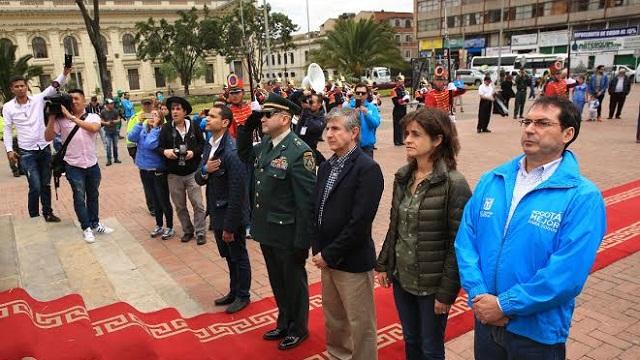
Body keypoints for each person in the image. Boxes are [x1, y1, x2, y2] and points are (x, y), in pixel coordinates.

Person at [455, 96, 606, 360]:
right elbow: (466, 241)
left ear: (568, 133)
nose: (529, 129)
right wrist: (479, 295)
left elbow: (567, 274)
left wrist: (505, 304)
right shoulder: (493, 180)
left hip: (536, 333)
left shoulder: (582, 197)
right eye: (527, 121)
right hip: (487, 319)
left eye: (542, 123)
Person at [376, 107, 471, 360]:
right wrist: (384, 264)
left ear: (438, 139)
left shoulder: (454, 183)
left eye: (416, 134)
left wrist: (447, 292)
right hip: (402, 277)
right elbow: (395, 224)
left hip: (431, 285)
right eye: (406, 133)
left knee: (430, 347)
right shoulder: (404, 177)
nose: (407, 139)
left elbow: (459, 244)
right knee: (410, 339)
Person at [237, 93, 316, 351]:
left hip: (289, 233)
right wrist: (247, 127)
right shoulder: (267, 146)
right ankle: (284, 321)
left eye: (268, 115)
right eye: (263, 114)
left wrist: (303, 241)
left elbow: (306, 202)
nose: (264, 118)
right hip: (268, 229)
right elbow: (245, 154)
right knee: (277, 280)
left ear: (284, 118)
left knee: (294, 281)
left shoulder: (298, 151)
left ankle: (298, 328)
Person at [311, 107, 384, 360]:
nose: (328, 134)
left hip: (351, 260)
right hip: (327, 259)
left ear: (354, 132)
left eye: (335, 129)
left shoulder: (367, 169)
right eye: (327, 128)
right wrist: (318, 249)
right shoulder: (328, 166)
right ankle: (338, 354)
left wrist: (329, 254)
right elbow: (318, 210)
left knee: (360, 322)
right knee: (334, 318)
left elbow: (360, 223)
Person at [195, 104, 252, 314]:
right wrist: (205, 170)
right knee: (228, 256)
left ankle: (243, 295)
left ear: (225, 122)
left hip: (230, 214)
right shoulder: (210, 145)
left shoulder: (232, 151)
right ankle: (233, 290)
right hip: (217, 210)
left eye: (212, 116)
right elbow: (199, 179)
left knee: (238, 255)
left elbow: (238, 192)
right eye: (207, 115)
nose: (207, 119)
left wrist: (230, 226)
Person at [44, 89, 114, 243]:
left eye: (77, 98)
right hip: (73, 165)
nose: (74, 101)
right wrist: (52, 118)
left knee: (93, 195)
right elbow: (48, 137)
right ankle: (86, 227)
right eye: (71, 99)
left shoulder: (93, 116)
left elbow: (94, 128)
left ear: (84, 101)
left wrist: (71, 118)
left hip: (92, 164)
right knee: (79, 196)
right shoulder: (61, 120)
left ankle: (95, 223)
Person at [2, 67, 71, 222]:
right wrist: (9, 150)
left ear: (27, 86)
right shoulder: (8, 107)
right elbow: (6, 129)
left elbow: (53, 87)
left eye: (22, 85)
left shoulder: (38, 99)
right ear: (12, 89)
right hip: (26, 153)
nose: (20, 88)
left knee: (46, 184)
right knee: (35, 185)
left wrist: (65, 73)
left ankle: (48, 212)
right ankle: (33, 215)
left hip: (44, 147)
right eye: (16, 86)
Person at [158, 96, 207, 245]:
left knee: (198, 204)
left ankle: (200, 232)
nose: (174, 112)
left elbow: (202, 144)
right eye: (172, 109)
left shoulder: (193, 126)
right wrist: (165, 152)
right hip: (174, 175)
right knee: (180, 206)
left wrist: (194, 152)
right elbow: (159, 148)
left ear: (185, 112)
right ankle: (188, 230)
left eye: (178, 109)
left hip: (192, 173)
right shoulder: (166, 128)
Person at [128, 109, 174, 240]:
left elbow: (150, 144)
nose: (152, 117)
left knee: (163, 199)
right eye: (150, 115)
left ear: (161, 119)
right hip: (144, 169)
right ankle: (159, 225)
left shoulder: (161, 131)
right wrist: (139, 123)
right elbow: (131, 137)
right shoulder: (143, 128)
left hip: (157, 170)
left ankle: (169, 226)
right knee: (154, 199)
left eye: (155, 115)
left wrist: (154, 128)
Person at [126, 96, 157, 215]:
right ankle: (152, 207)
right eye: (145, 104)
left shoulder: (158, 116)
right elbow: (131, 136)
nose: (147, 106)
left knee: (159, 184)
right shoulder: (135, 118)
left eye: (149, 104)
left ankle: (160, 204)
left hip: (156, 155)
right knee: (148, 184)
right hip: (141, 153)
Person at [343, 83, 381, 158]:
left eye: (363, 93)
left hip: (367, 147)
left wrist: (367, 114)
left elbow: (375, 124)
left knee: (367, 169)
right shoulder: (348, 107)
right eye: (357, 93)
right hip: (351, 146)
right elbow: (343, 125)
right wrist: (353, 115)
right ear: (354, 94)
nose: (360, 95)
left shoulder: (372, 107)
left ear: (367, 95)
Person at [295, 93, 326, 165]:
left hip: (309, 151)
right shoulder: (305, 113)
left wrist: (307, 111)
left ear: (319, 105)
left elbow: (314, 127)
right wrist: (304, 95)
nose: (310, 104)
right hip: (298, 149)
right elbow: (299, 130)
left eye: (312, 102)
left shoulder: (321, 118)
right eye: (309, 101)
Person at [99, 98, 121, 166]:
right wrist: (106, 123)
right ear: (107, 104)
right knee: (108, 146)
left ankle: (116, 158)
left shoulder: (115, 111)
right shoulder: (103, 112)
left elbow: (119, 119)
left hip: (115, 131)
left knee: (115, 146)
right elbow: (101, 121)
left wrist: (115, 121)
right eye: (111, 104)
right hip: (107, 131)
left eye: (113, 103)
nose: (112, 105)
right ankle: (109, 160)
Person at [391, 74, 409, 146]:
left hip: (403, 109)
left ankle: (401, 140)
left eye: (402, 82)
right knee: (397, 126)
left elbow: (407, 99)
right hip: (397, 110)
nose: (401, 83)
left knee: (402, 125)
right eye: (400, 82)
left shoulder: (403, 90)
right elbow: (395, 101)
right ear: (397, 82)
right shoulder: (394, 90)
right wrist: (403, 100)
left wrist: (406, 99)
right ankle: (396, 141)